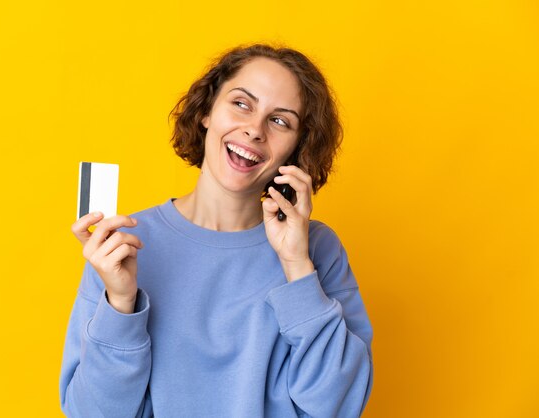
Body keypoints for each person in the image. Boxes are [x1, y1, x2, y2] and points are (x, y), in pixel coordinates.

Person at [60, 44, 373, 418]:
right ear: (207, 111)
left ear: (297, 148)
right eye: (242, 103)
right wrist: (120, 303)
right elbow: (91, 413)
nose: (254, 130)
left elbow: (338, 407)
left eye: (280, 121)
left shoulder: (316, 249)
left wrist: (296, 265)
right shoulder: (121, 245)